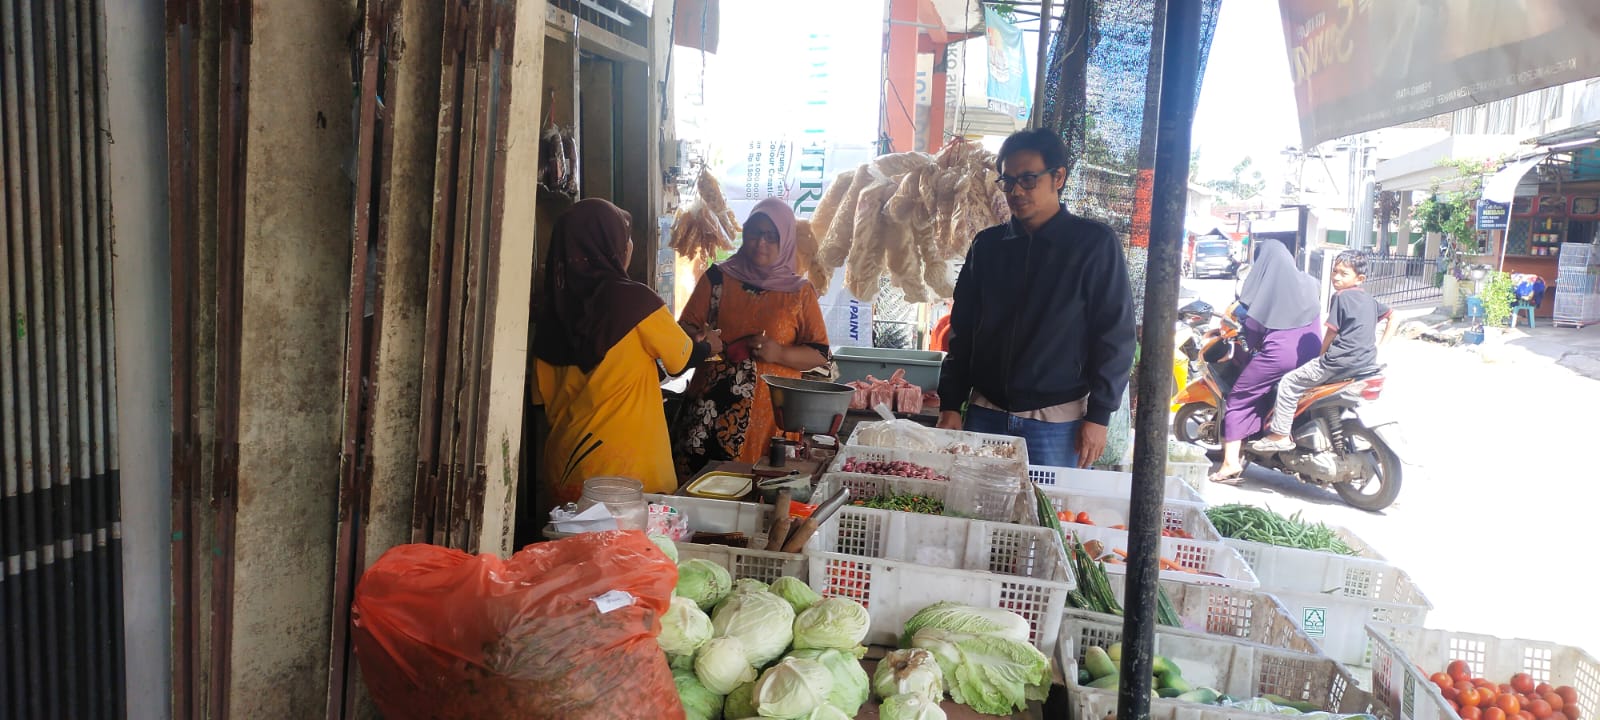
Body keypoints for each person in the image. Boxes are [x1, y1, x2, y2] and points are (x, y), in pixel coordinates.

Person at [937, 128, 1136, 468]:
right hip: (986, 414)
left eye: (1028, 179)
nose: (1016, 191)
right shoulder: (987, 246)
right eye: (1008, 181)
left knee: (1051, 504)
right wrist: (951, 404)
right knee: (973, 502)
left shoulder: (1093, 245)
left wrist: (1099, 415)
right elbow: (963, 330)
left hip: (1058, 423)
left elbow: (1115, 335)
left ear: (1058, 177)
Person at [532, 199, 721, 504]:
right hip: (628, 475)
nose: (630, 245)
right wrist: (709, 345)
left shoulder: (550, 314)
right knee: (630, 538)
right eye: (626, 237)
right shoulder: (636, 302)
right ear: (611, 246)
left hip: (565, 472)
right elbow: (681, 360)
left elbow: (544, 400)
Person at [674, 197, 831, 473]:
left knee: (761, 487)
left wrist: (780, 353)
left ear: (785, 240)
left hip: (771, 416)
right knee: (703, 487)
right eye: (754, 233)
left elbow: (819, 354)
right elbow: (684, 328)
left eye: (771, 236)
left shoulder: (799, 292)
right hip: (709, 413)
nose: (761, 243)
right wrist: (702, 339)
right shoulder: (717, 278)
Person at [1252, 250, 1397, 453]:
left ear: (1360, 278)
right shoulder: (1370, 300)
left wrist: (1321, 355)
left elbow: (1331, 332)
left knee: (1289, 383)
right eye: (1334, 271)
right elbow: (1394, 317)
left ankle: (1280, 435)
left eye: (1344, 273)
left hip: (1337, 363)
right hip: (1365, 364)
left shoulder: (1341, 297)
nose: (1336, 277)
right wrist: (1381, 346)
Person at [1207, 240, 1322, 485]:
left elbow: (1251, 333)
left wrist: (1243, 345)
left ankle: (1230, 463)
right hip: (1313, 353)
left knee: (1239, 398)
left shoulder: (1266, 292)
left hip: (1280, 357)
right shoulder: (1310, 283)